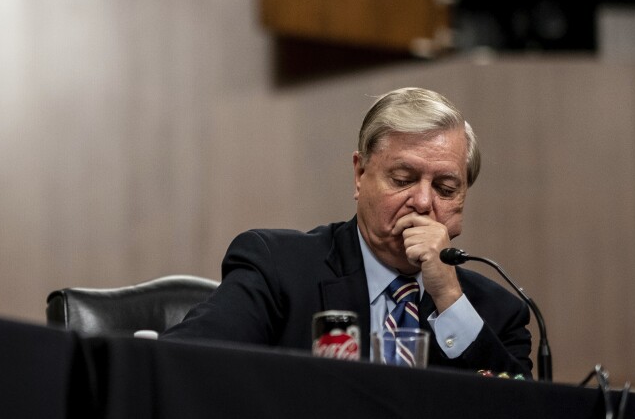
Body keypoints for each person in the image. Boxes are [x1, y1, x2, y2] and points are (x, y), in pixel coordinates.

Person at [161, 87, 532, 376]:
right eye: (403, 179)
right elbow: (180, 364)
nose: (422, 202)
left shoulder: (498, 313)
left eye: (445, 189)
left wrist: (450, 299)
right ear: (360, 175)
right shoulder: (279, 271)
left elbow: (524, 411)